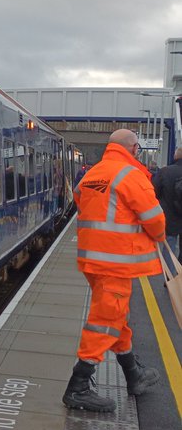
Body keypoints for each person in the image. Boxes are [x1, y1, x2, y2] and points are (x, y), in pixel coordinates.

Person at [63, 128, 164, 412]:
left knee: (116, 316)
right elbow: (155, 219)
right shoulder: (130, 175)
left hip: (93, 260)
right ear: (133, 149)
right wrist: (156, 236)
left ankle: (134, 374)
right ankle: (78, 386)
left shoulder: (94, 173)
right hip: (117, 261)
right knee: (106, 320)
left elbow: (79, 197)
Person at [152, 148, 182, 258]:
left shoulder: (166, 171)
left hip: (170, 217)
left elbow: (154, 192)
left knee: (169, 249)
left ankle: (171, 274)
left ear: (176, 156)